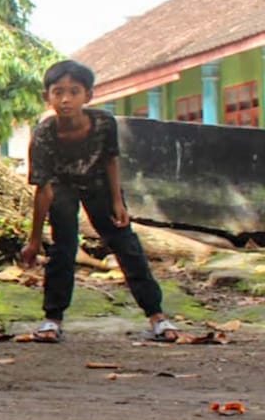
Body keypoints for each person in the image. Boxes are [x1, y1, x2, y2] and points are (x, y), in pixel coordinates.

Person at [20, 60, 175, 342]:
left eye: (74, 92)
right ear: (47, 97)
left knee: (125, 245)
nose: (65, 99)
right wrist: (33, 239)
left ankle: (157, 316)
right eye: (58, 92)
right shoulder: (44, 134)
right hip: (62, 186)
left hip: (99, 184)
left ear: (88, 96)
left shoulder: (103, 123)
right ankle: (52, 319)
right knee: (63, 248)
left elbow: (111, 160)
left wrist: (118, 201)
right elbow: (42, 190)